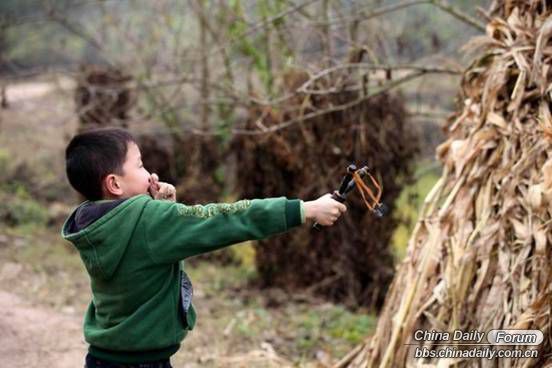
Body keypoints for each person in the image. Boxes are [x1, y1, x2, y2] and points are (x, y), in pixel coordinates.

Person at [61, 127, 347, 368]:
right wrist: (304, 209)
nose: (150, 174)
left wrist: (162, 209)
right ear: (114, 184)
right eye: (139, 165)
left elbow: (145, 252)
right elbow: (226, 219)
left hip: (102, 358)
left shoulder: (94, 222)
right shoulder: (150, 222)